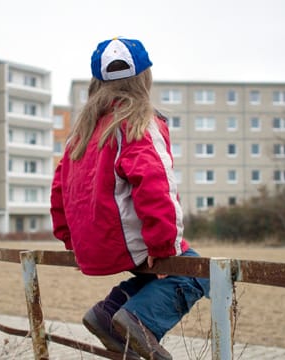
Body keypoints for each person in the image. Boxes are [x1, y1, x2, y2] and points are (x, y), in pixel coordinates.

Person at [50, 37, 210, 360]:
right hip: (127, 243)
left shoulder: (80, 133)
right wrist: (164, 247)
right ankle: (140, 322)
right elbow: (156, 185)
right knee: (198, 271)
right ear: (144, 78)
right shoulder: (138, 122)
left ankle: (109, 313)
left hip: (93, 248)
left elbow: (58, 192)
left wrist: (71, 240)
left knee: (161, 274)